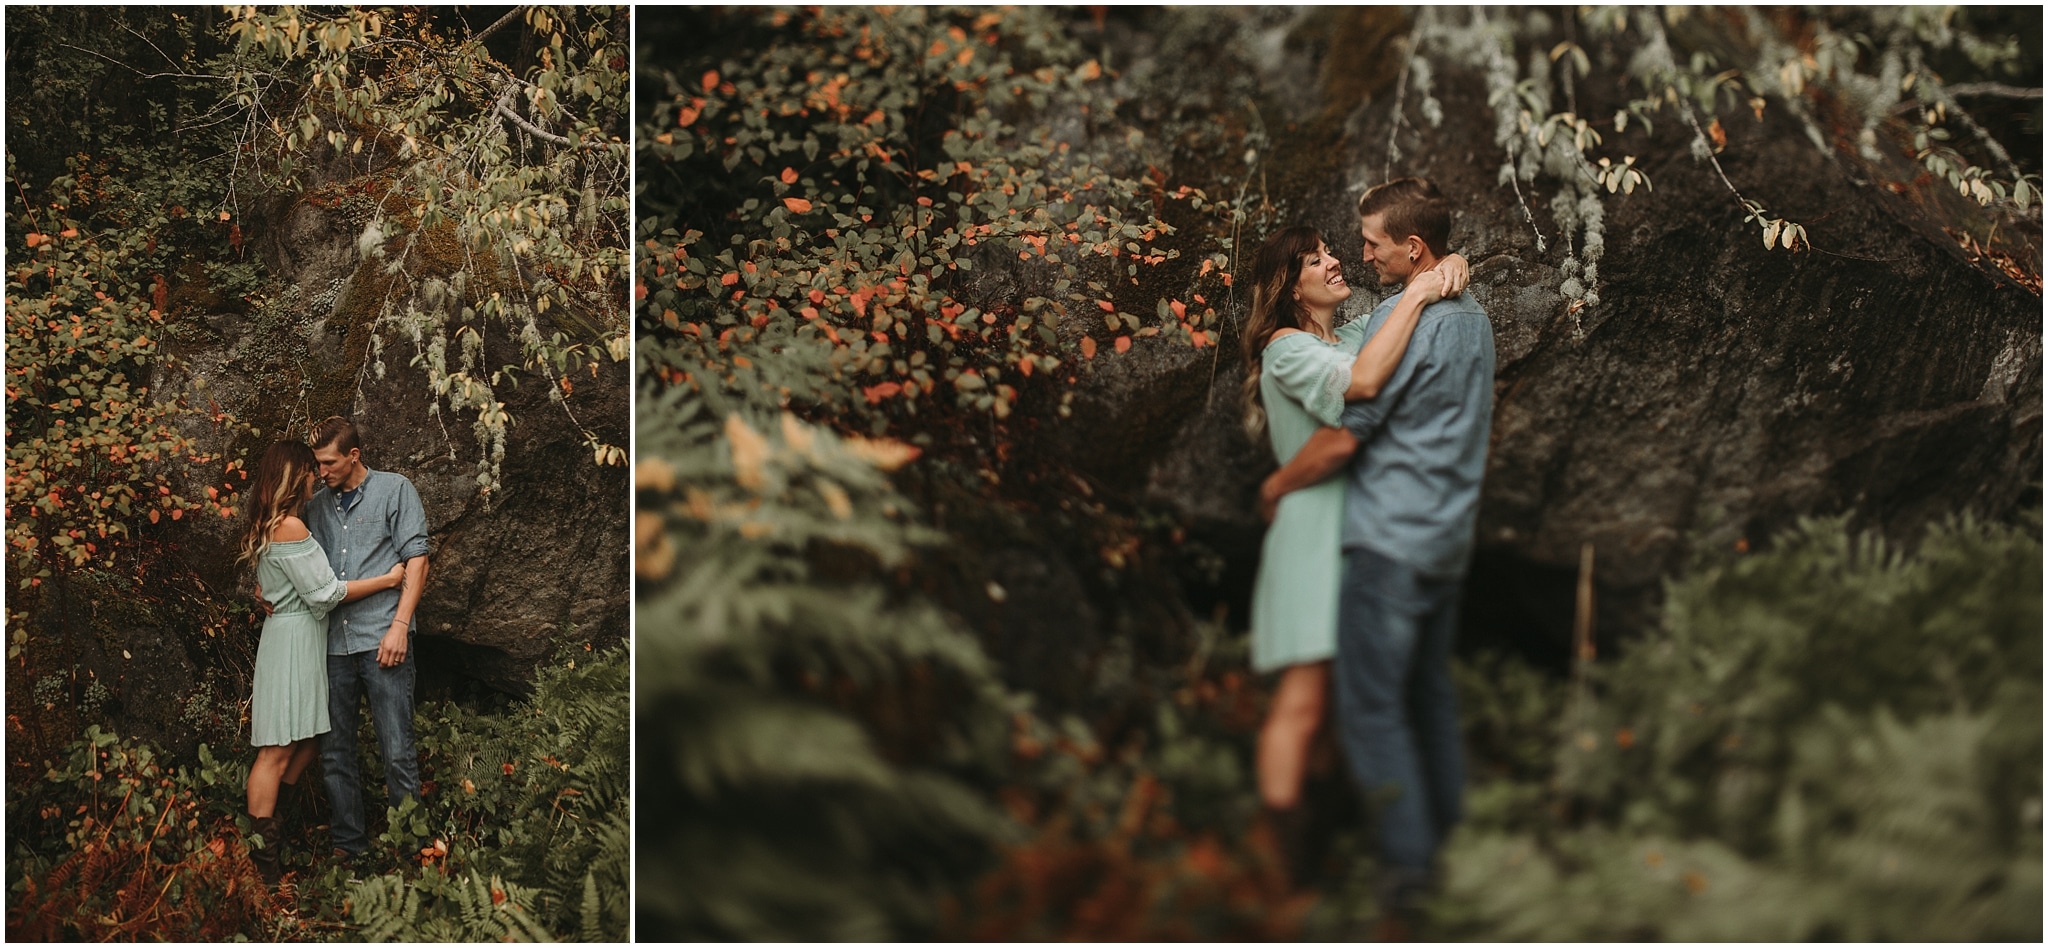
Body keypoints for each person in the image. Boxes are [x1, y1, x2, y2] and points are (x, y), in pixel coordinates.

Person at [1258, 177, 1495, 934]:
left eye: (1366, 245)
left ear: (1413, 248)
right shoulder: (1478, 324)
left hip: (1386, 537)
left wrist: (1276, 484)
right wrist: (1444, 276)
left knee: (1371, 712)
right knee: (1419, 701)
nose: (1355, 258)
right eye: (1331, 252)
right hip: (1443, 539)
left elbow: (1352, 423)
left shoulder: (1391, 319)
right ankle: (1440, 854)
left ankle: (1411, 877)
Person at [237, 441, 406, 884]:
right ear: (294, 476)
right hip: (293, 640)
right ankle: (264, 867)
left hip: (300, 639)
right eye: (310, 470)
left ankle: (275, 828)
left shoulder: (275, 524)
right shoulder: (290, 526)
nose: (316, 477)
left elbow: (279, 584)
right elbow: (326, 593)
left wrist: (264, 593)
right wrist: (388, 579)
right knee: (276, 750)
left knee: (310, 741)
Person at [304, 416, 431, 860]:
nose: (322, 472)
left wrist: (400, 626)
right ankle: (349, 847)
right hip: (332, 646)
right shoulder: (315, 507)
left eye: (329, 463)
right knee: (336, 752)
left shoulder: (395, 490)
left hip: (383, 641)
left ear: (353, 455)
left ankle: (412, 850)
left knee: (397, 749)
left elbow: (417, 560)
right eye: (318, 464)